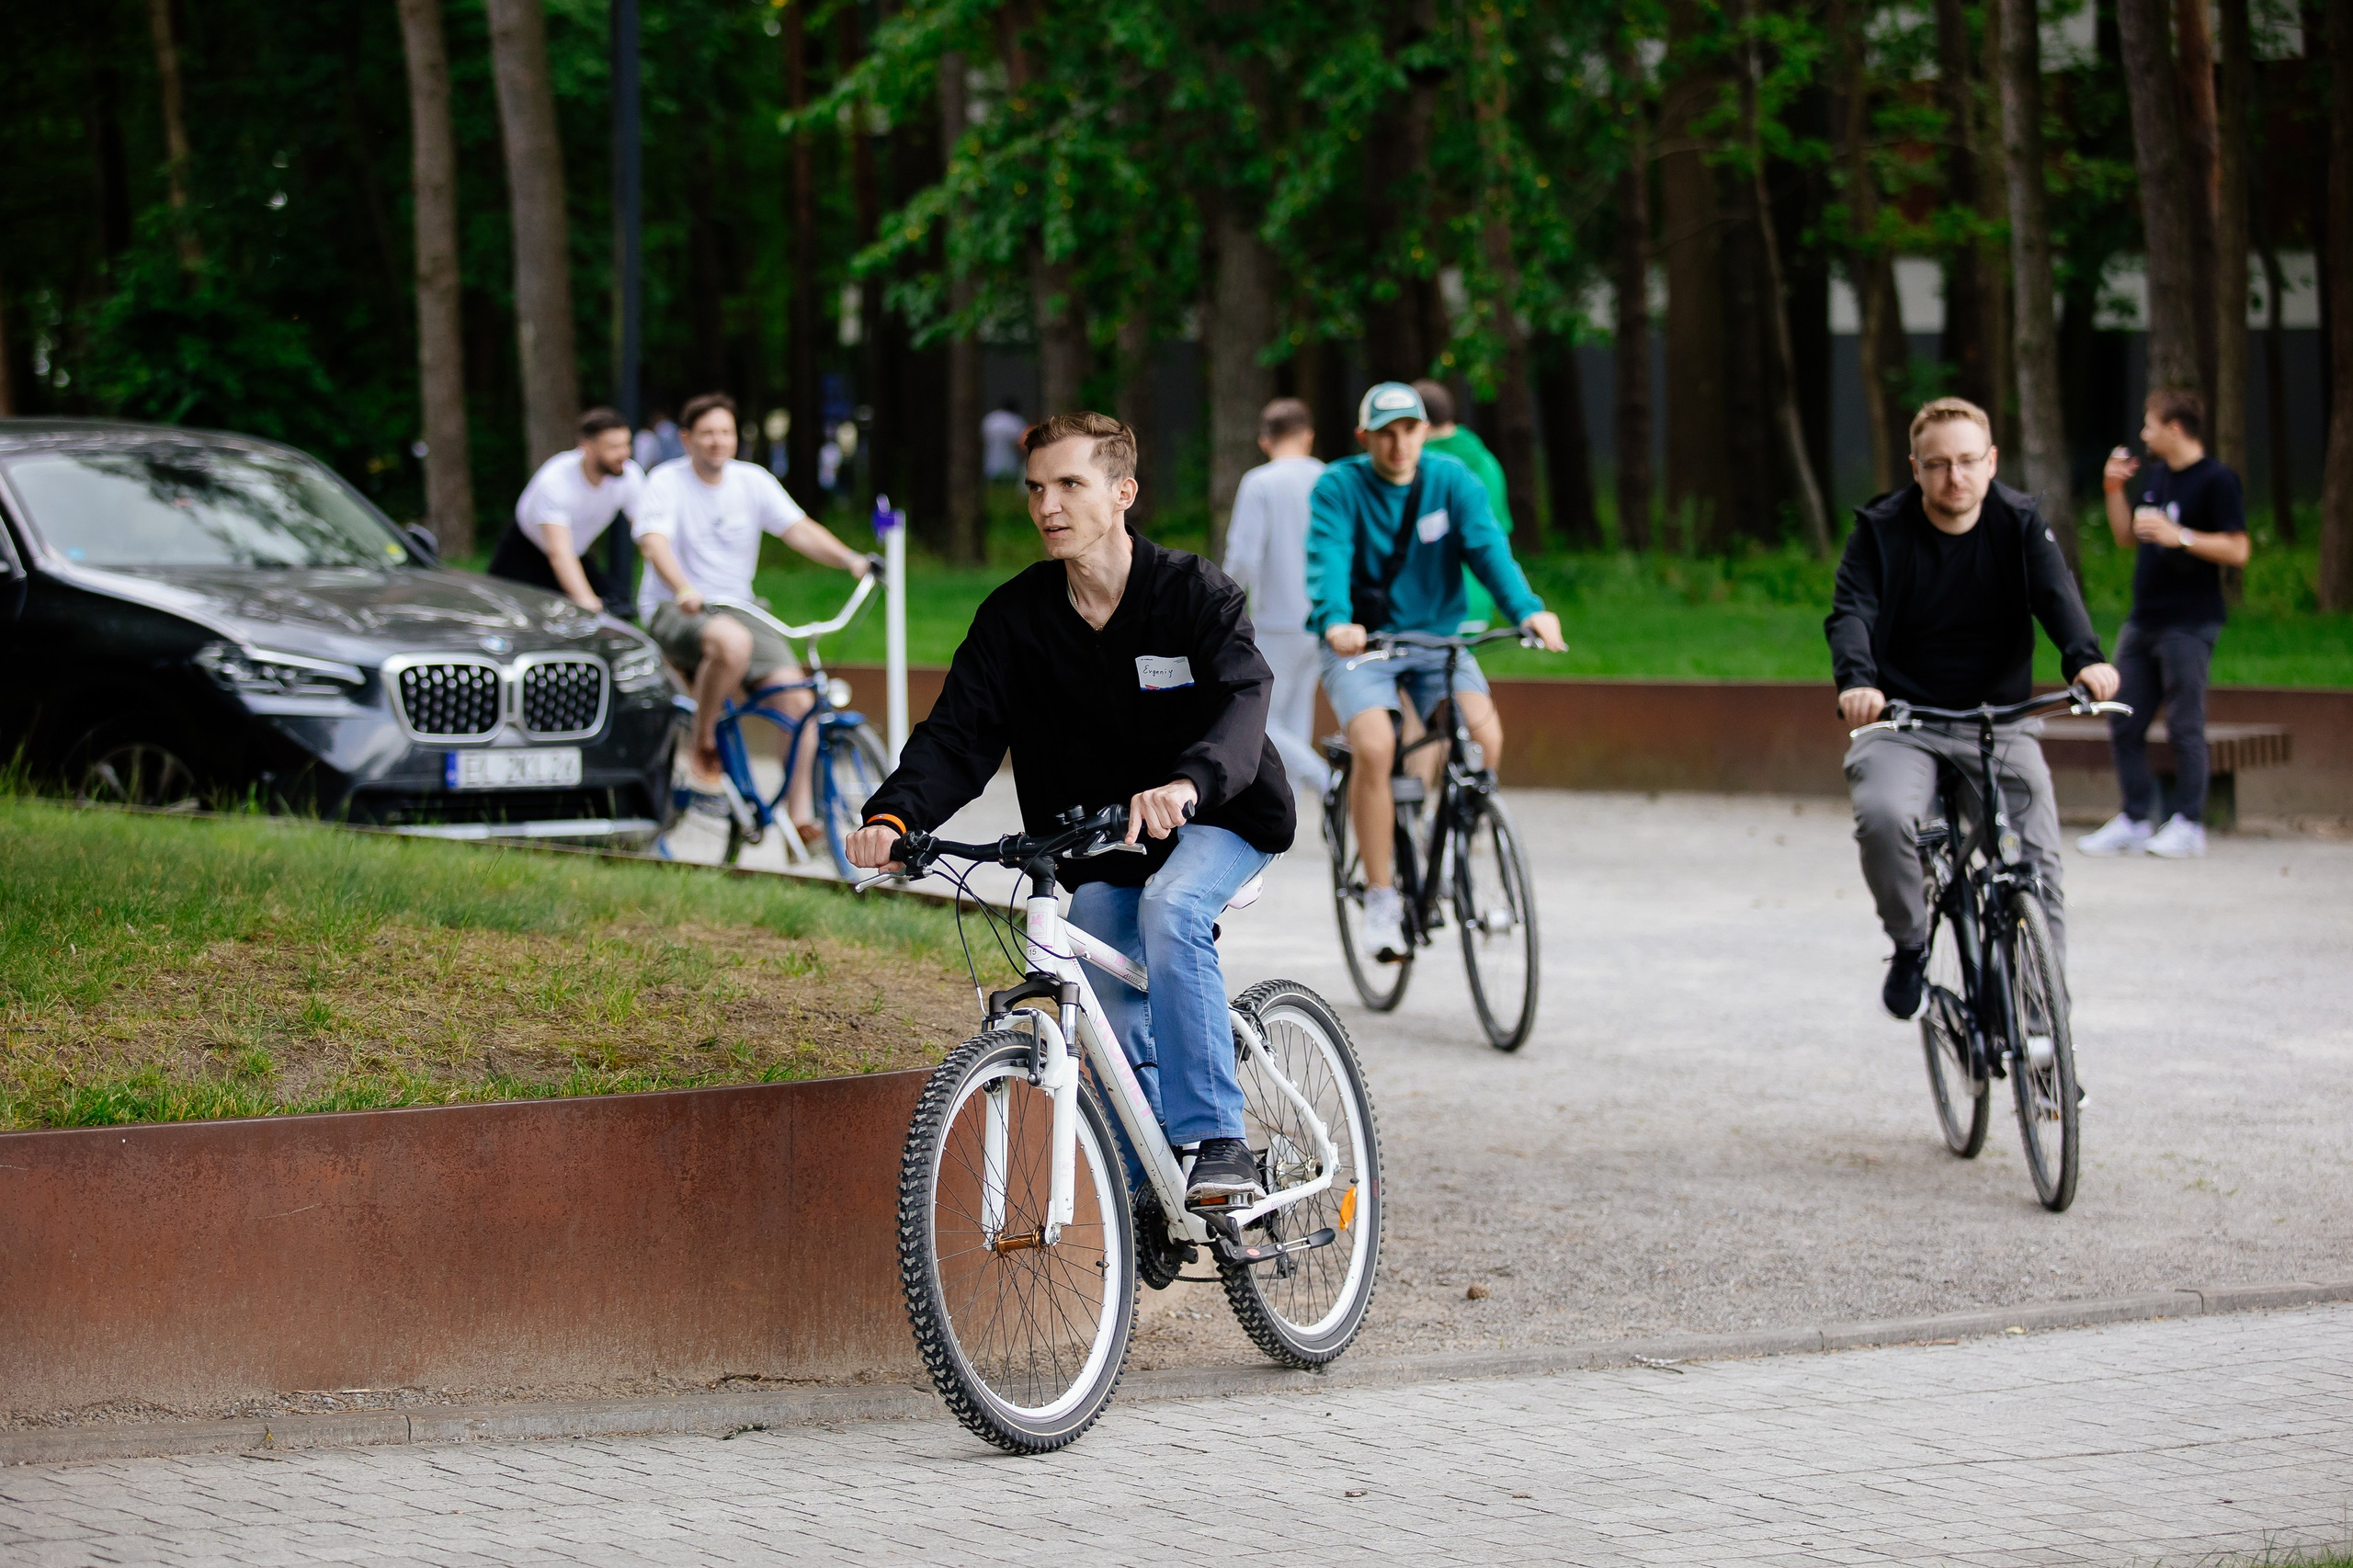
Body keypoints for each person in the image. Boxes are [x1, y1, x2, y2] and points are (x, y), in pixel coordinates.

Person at [847, 412, 1294, 1207]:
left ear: (1123, 492)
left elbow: (1243, 698)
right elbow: (958, 735)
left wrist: (1187, 783)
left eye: (1070, 485)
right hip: (1100, 838)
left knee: (1172, 908)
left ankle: (1219, 1139)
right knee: (1095, 974)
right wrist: (895, 818)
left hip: (1221, 814)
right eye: (1035, 488)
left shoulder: (1193, 593)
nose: (1047, 505)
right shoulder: (1015, 620)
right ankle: (1156, 1185)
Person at [1828, 397, 2120, 1021]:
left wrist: (2085, 661)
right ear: (1916, 468)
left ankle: (2045, 1044)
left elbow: (2057, 596)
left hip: (1998, 723)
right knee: (1884, 817)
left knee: (2037, 869)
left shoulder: (2019, 524)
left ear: (1990, 462)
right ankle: (1910, 943)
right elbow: (1851, 614)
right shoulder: (1880, 531)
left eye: (1967, 462)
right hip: (1902, 720)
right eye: (1937, 465)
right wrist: (1858, 683)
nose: (1953, 478)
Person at [1306, 381, 1565, 963]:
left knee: (1483, 735)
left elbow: (1490, 551)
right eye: (1387, 433)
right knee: (1376, 745)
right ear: (1364, 436)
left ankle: (1445, 848)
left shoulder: (1453, 481)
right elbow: (1329, 557)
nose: (1400, 445)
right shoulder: (1339, 487)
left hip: (1436, 641)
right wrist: (1336, 619)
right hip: (1362, 645)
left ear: (1426, 430)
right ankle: (1380, 901)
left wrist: (1529, 610)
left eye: (1411, 430)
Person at [633, 392, 871, 846]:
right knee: (732, 644)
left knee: (801, 704)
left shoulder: (752, 481)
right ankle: (703, 746)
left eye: (725, 432)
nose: (717, 442)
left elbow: (797, 529)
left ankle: (798, 818)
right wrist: (682, 586)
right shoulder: (666, 481)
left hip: (740, 606)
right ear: (686, 439)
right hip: (675, 608)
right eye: (707, 434)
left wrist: (850, 560)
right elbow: (653, 542)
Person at [2079, 390, 2252, 860]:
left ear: (2175, 429)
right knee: (2122, 718)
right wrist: (2113, 491)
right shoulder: (2157, 477)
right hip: (2144, 619)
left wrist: (2183, 537)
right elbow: (2124, 537)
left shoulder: (2216, 480)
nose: (2143, 434)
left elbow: (2239, 550)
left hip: (2190, 621)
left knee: (2184, 724)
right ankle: (2136, 819)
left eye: (2150, 424)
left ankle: (2189, 824)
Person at [1222, 397, 1330, 793]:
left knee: (1262, 718)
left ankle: (1324, 778)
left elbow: (1244, 556)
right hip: (1322, 617)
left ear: (1264, 440)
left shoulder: (1260, 482)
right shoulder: (1330, 478)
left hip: (1275, 618)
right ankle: (1295, 806)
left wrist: (1224, 603)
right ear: (1309, 436)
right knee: (1297, 715)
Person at [489, 408, 644, 613]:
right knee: (521, 618)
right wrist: (587, 602)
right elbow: (558, 552)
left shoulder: (630, 475)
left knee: (620, 606)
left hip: (573, 555)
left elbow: (644, 532)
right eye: (614, 447)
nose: (624, 454)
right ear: (587, 447)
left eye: (626, 444)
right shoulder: (556, 479)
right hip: (525, 553)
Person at [1411, 378, 1506, 631]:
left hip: (1424, 604)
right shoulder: (1487, 463)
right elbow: (1501, 531)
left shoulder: (1412, 468)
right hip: (1478, 597)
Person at [981, 398, 1028, 481]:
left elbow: (982, 440)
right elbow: (1021, 444)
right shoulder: (1016, 421)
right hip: (1011, 465)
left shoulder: (990, 419)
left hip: (989, 466)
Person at [633, 406, 684, 473]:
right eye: (657, 419)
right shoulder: (644, 436)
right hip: (648, 471)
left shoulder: (669, 429)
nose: (661, 424)